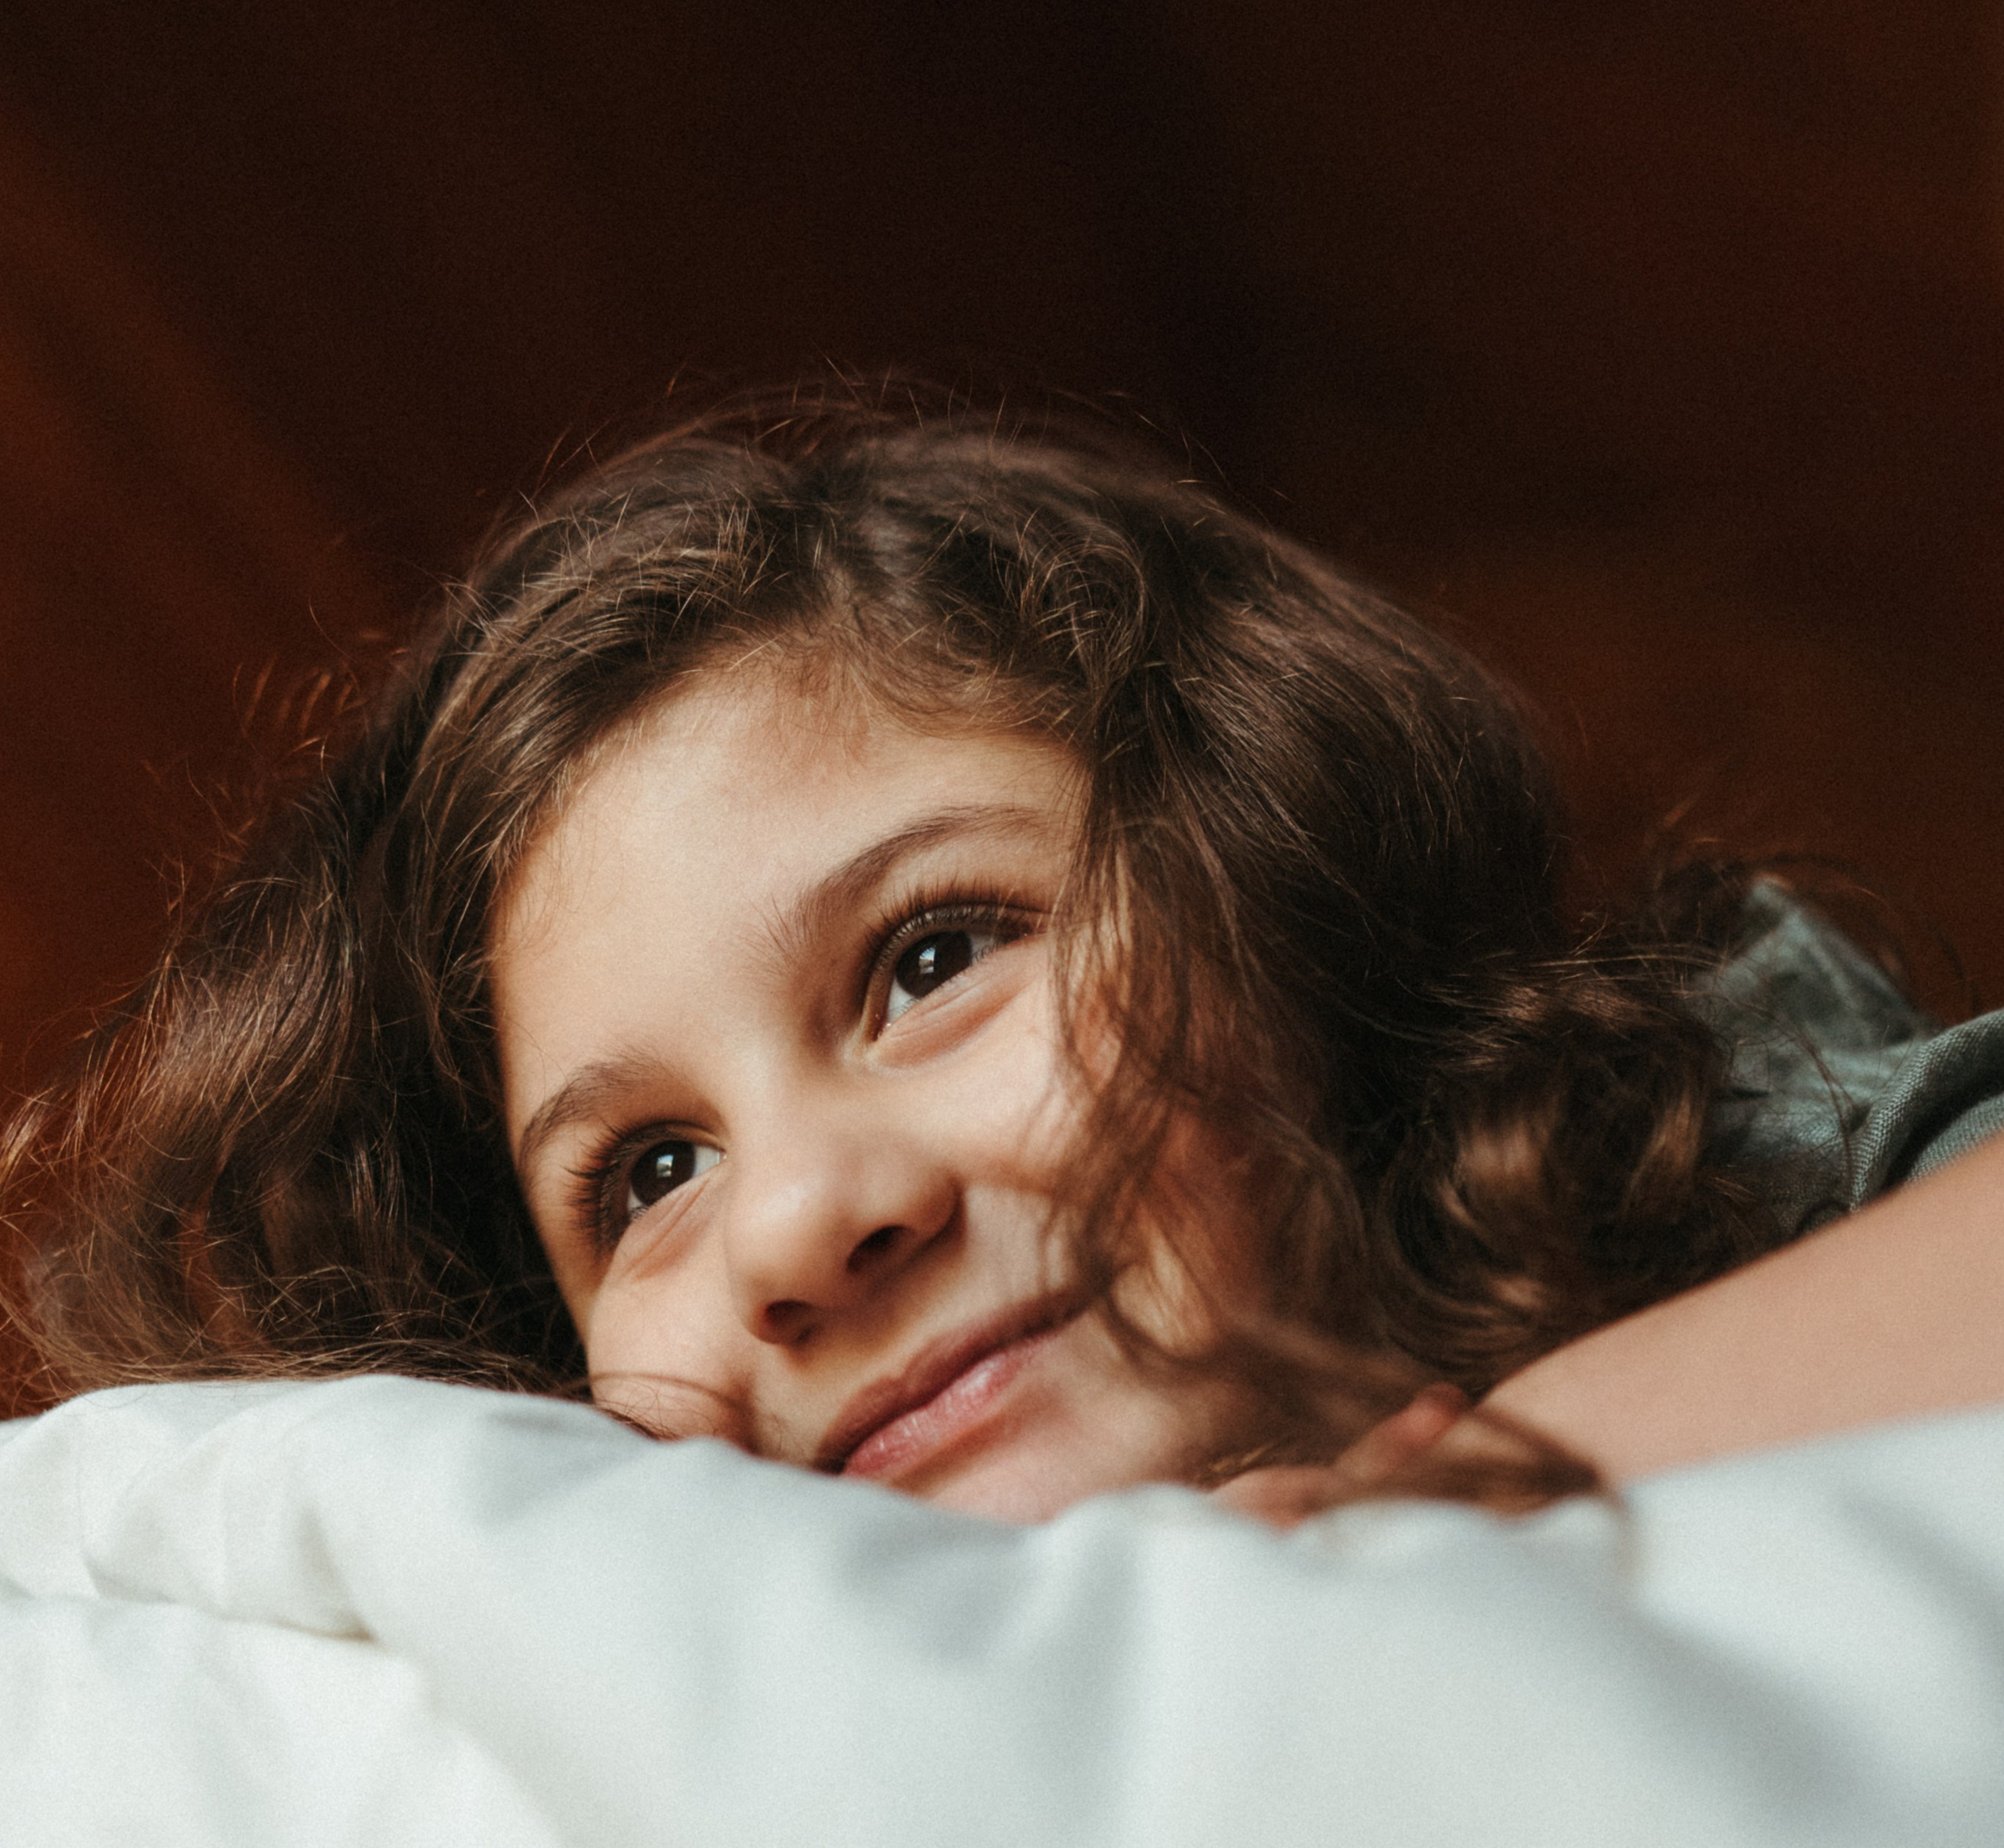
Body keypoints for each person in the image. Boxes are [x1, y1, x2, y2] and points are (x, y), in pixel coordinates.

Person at [7, 404, 2004, 1507]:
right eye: (647, 1178)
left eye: (932, 955)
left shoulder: (1733, 1133)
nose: (795, 1228)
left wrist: (1415, 1521)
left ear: (1267, 892)